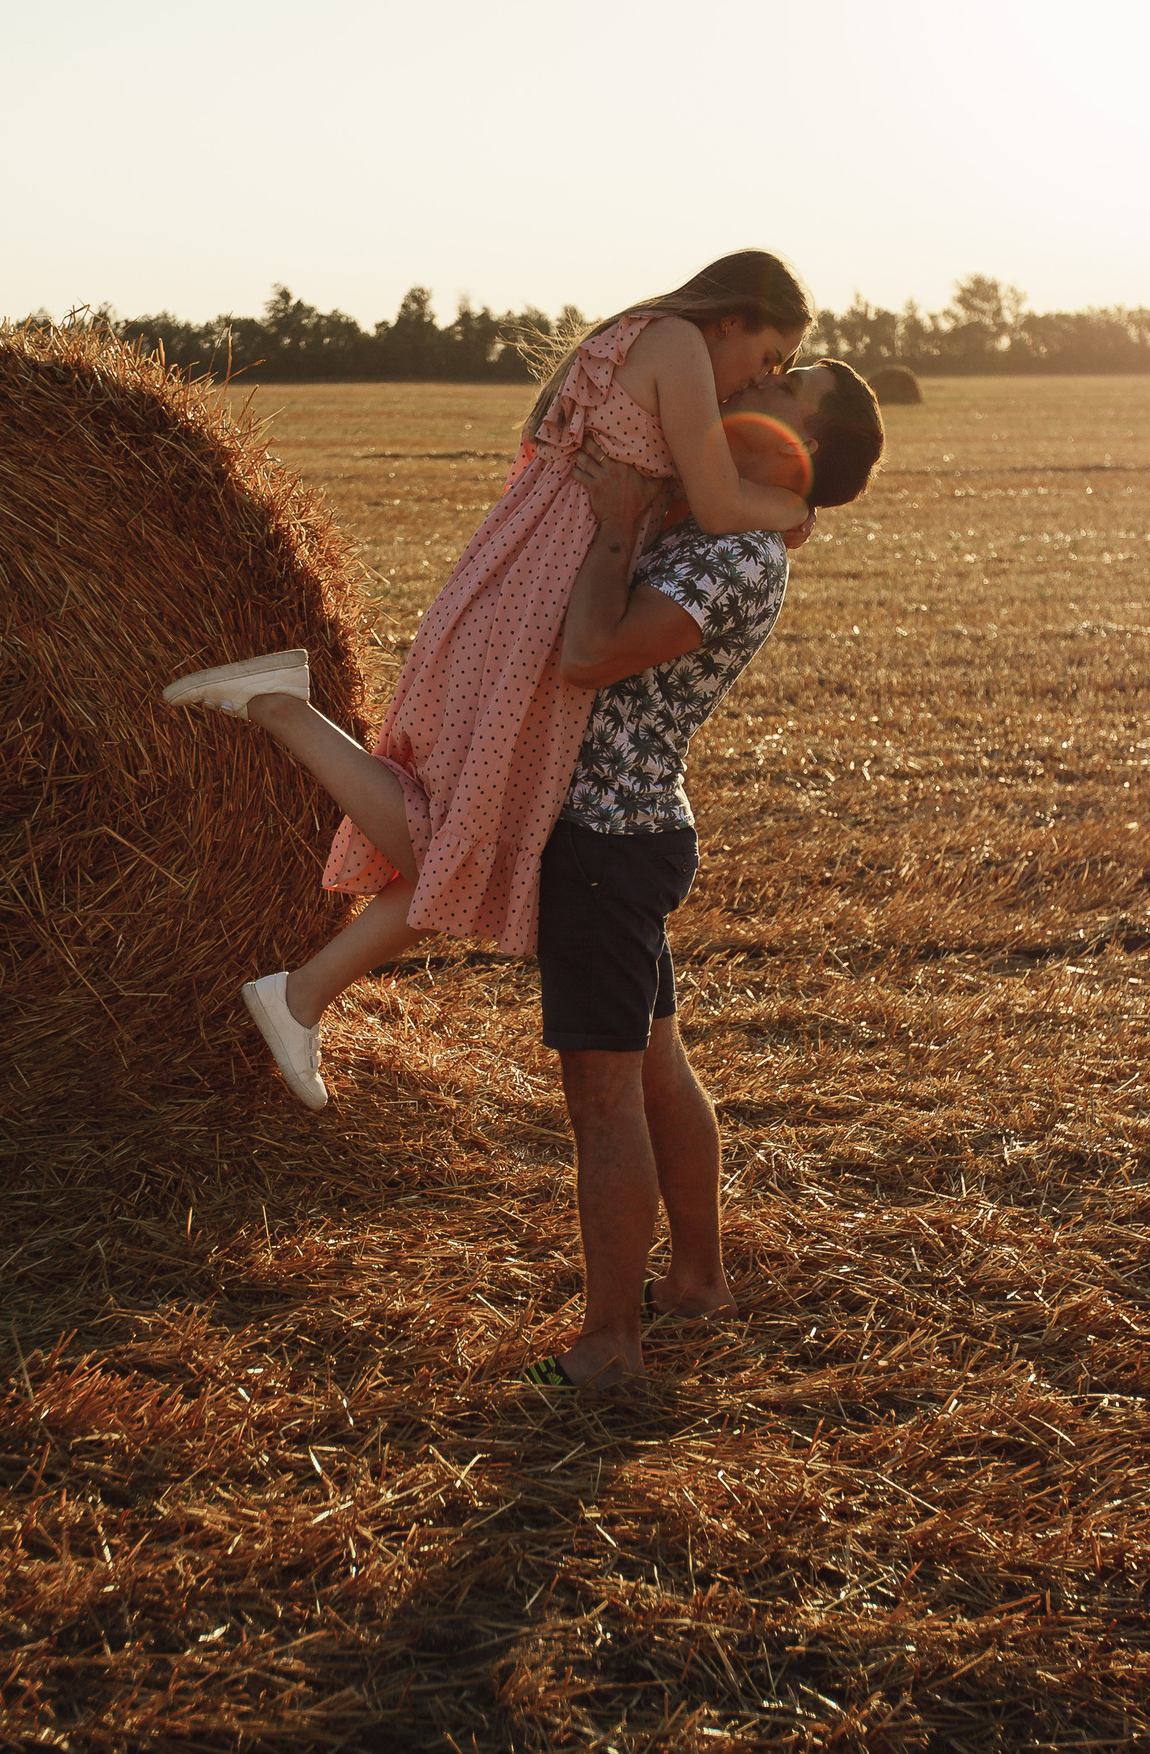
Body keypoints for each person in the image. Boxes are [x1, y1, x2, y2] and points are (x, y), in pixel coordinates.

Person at [169, 347, 885, 1387]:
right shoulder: (734, 519)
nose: (756, 384)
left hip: (600, 841)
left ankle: (610, 1344)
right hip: (618, 830)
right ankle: (698, 1280)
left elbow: (589, 653)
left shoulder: (734, 558)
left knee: (602, 1099)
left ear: (801, 441)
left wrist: (614, 528)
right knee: (653, 1066)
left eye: (785, 386)